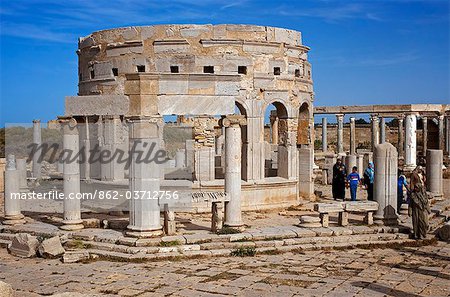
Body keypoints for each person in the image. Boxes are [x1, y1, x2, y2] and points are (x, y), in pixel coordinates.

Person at [408, 166, 430, 239]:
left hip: (422, 211)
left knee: (424, 223)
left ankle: (423, 234)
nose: (416, 188)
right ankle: (417, 235)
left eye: (417, 188)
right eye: (416, 187)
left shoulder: (424, 194)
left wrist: (428, 210)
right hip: (415, 211)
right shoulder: (413, 195)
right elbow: (410, 204)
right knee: (416, 224)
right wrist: (410, 211)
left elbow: (426, 202)